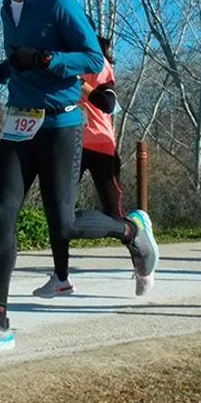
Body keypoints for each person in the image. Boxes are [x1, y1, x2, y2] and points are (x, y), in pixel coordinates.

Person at [0, 0, 158, 356]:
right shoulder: (6, 9)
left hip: (61, 126)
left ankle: (131, 230)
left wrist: (49, 60)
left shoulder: (59, 3)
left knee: (63, 225)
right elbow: (19, 61)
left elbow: (91, 59)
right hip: (18, 126)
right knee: (2, 214)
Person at [33, 31, 140, 298]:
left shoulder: (98, 63)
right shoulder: (60, 62)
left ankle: (140, 253)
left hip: (101, 146)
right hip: (69, 145)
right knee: (59, 212)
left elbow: (110, 104)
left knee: (114, 213)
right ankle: (61, 277)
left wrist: (81, 85)